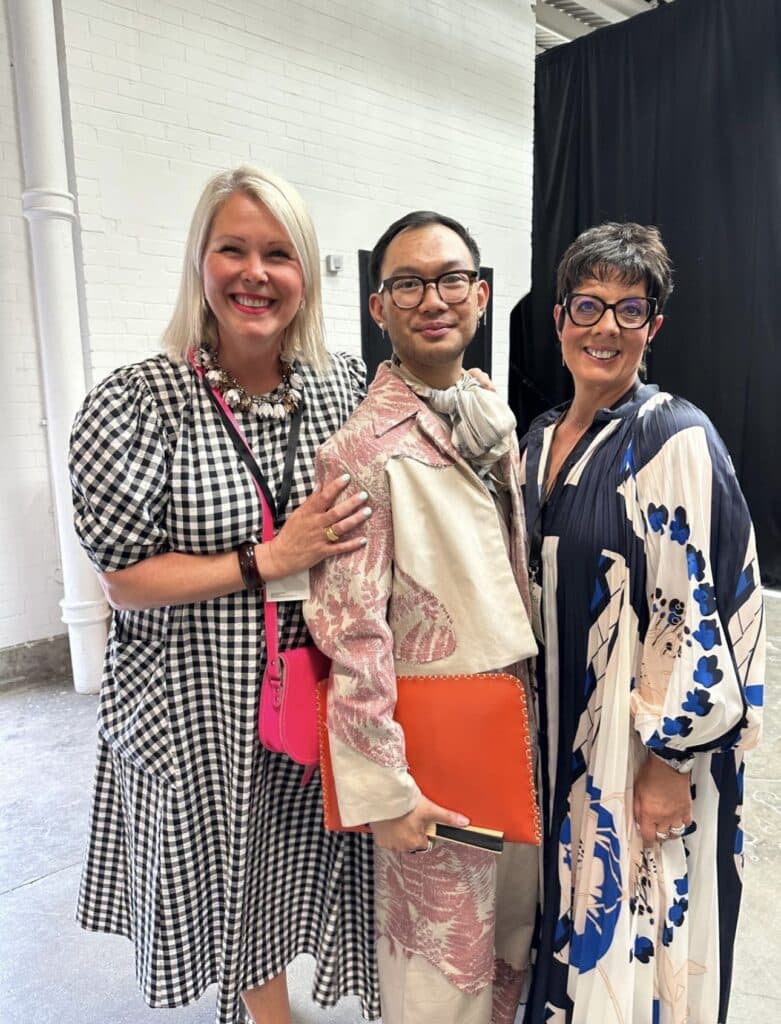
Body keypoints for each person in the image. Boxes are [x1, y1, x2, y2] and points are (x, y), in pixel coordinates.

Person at [68, 165, 381, 1024]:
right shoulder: (138, 403)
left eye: (277, 253)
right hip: (195, 697)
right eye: (232, 249)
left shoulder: (338, 386)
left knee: (295, 853)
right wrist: (267, 557)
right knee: (224, 868)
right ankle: (264, 1010)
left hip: (312, 682)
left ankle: (272, 1000)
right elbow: (123, 581)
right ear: (199, 263)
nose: (255, 273)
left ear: (306, 272)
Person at [521, 221, 765, 1023]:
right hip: (553, 744)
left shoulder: (670, 437)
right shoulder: (535, 441)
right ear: (558, 317)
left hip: (632, 757)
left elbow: (699, 607)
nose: (605, 327)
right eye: (587, 305)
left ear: (652, 328)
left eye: (630, 310)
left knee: (634, 942)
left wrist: (668, 759)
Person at [303, 211, 540, 1024]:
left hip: (512, 723)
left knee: (511, 940)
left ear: (478, 296)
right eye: (407, 283)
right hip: (432, 746)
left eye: (448, 280)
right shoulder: (360, 452)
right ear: (380, 308)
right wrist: (388, 792)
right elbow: (350, 634)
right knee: (440, 967)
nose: (430, 299)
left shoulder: (486, 414)